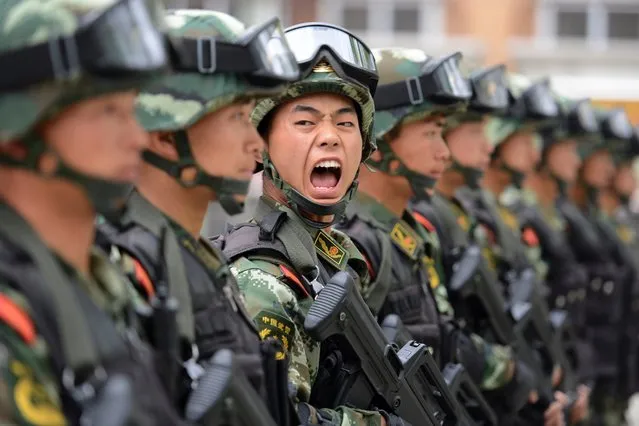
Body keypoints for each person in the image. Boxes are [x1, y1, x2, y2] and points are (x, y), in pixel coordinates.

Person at [95, 9, 302, 422]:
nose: (255, 143)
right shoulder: (133, 269)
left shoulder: (189, 256)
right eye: (237, 117)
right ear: (167, 135)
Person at [0, 0, 189, 424]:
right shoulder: (12, 312)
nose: (139, 137)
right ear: (17, 134)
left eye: (132, 109)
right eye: (108, 111)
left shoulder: (100, 280)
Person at [212, 22, 408, 425]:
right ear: (262, 146)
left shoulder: (335, 255)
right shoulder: (262, 279)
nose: (329, 137)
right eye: (305, 122)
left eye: (345, 123)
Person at [334, 48, 539, 422]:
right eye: (430, 133)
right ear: (379, 140)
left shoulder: (409, 232)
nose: (444, 153)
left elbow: (442, 335)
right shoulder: (352, 240)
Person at [568, 107, 636, 426]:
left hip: (610, 364)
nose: (612, 169)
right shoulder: (567, 221)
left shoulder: (598, 222)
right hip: (585, 367)